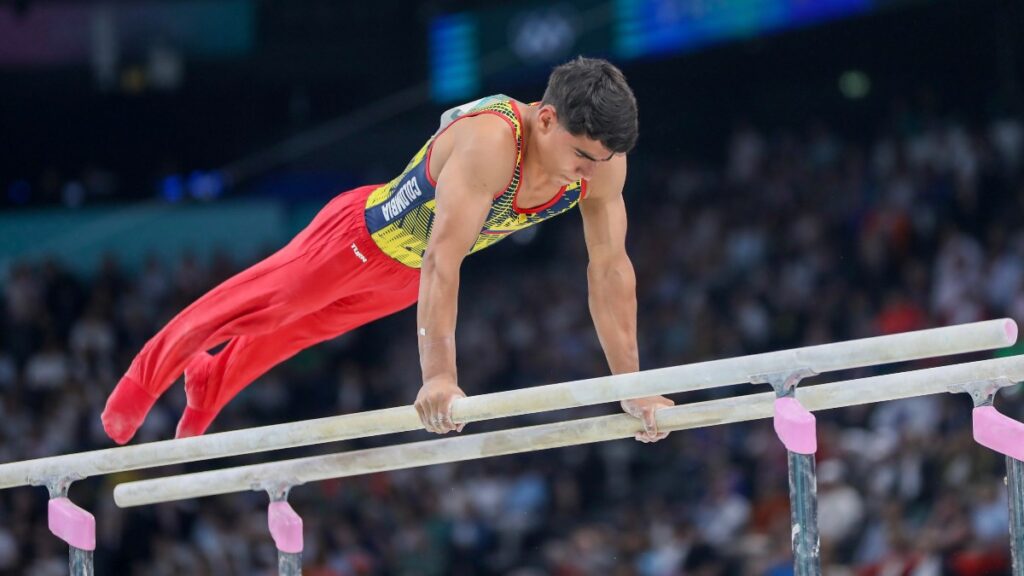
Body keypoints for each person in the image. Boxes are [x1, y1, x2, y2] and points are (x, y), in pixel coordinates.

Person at [100, 56, 675, 445]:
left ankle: (209, 382)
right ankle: (143, 381)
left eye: (601, 162)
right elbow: (443, 258)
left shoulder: (602, 163)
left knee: (295, 333)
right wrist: (439, 376)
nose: (589, 174)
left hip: (403, 281)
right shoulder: (492, 141)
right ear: (546, 119)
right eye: (581, 156)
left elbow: (609, 268)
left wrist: (630, 387)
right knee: (261, 306)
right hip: (356, 239)